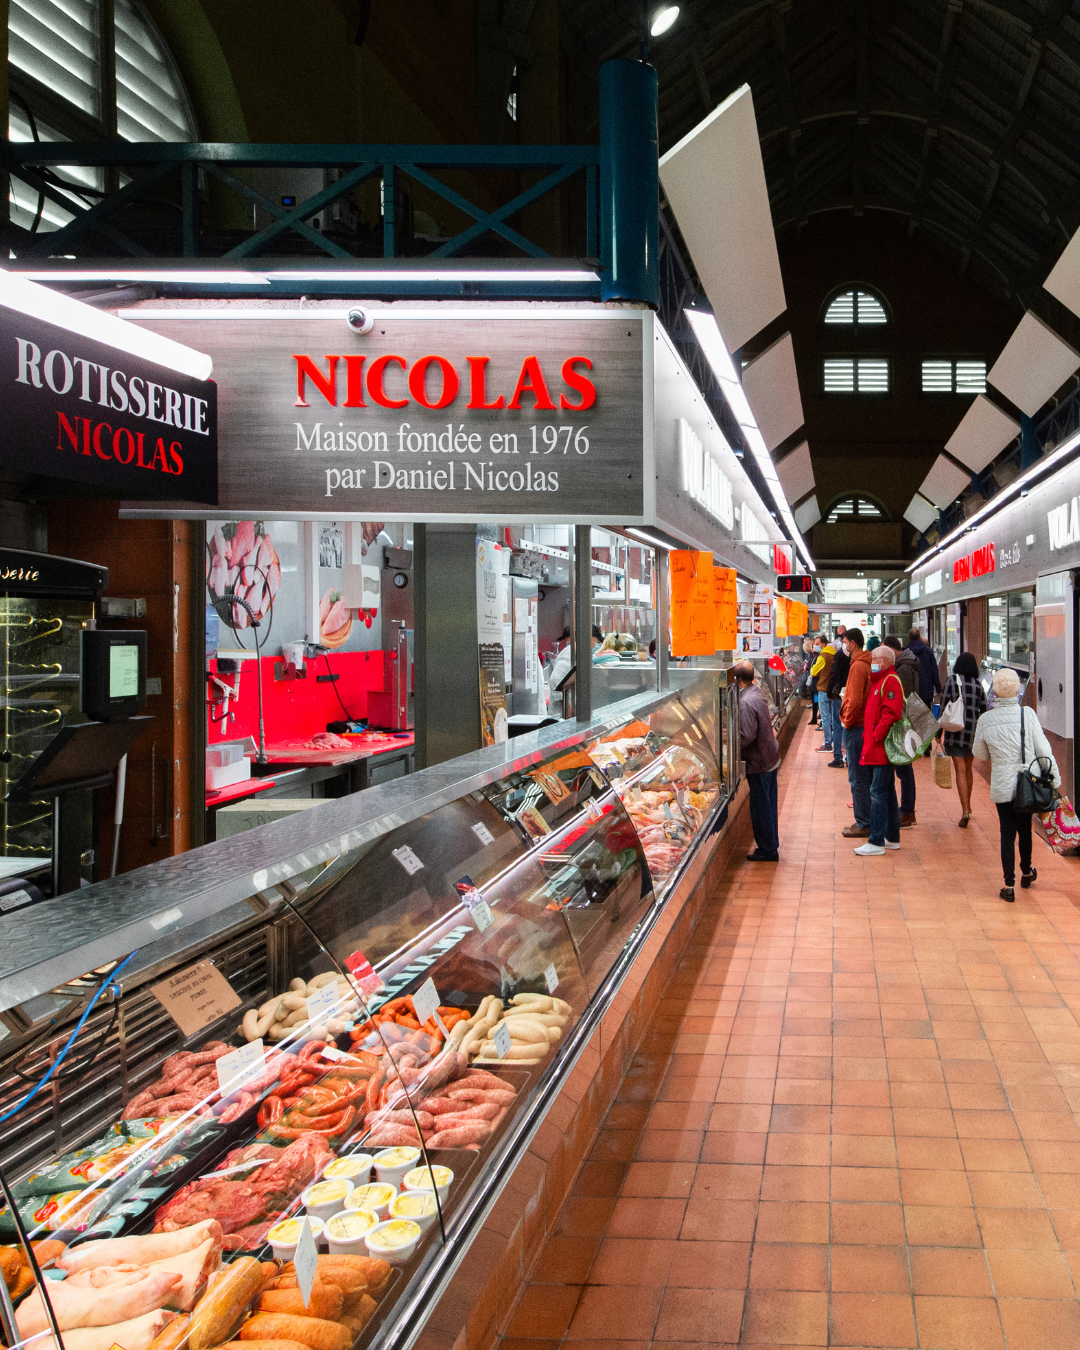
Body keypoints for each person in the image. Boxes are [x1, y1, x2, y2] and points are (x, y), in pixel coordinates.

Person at [972, 667, 1060, 901]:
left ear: (996, 693)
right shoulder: (1027, 714)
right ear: (1017, 690)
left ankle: (1008, 885)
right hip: (1027, 782)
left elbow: (980, 754)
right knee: (1025, 829)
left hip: (1003, 784)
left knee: (1006, 833)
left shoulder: (986, 719)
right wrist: (1055, 780)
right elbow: (1043, 749)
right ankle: (1026, 872)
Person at [854, 643, 906, 855]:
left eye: (874, 659)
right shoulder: (879, 681)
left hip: (882, 747)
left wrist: (875, 736)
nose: (871, 663)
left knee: (877, 792)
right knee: (888, 791)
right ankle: (892, 836)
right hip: (876, 746)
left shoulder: (890, 680)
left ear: (884, 661)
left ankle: (876, 840)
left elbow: (890, 713)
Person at [734, 659, 781, 861]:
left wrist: (729, 747)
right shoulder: (756, 692)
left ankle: (768, 850)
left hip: (759, 761)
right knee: (768, 804)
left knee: (761, 807)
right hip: (769, 756)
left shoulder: (745, 702)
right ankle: (771, 844)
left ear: (738, 680)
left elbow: (747, 735)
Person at [941, 651, 988, 828]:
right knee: (968, 769)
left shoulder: (952, 681)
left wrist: (938, 734)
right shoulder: (978, 685)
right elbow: (983, 710)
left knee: (959, 769)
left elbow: (945, 705)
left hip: (955, 731)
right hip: (973, 731)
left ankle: (965, 810)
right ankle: (968, 805)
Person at [838, 628, 873, 836]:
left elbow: (855, 700)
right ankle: (867, 818)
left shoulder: (858, 666)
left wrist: (846, 721)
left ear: (852, 644)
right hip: (863, 725)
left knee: (857, 777)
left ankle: (863, 822)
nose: (843, 645)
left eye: (844, 641)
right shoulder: (864, 663)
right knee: (864, 776)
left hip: (856, 726)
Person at [883, 635, 919, 827]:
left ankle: (906, 810)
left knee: (904, 769)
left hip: (903, 725)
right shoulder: (906, 664)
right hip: (905, 723)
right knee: (905, 769)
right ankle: (906, 809)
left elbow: (900, 698)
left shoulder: (903, 669)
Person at [825, 629, 850, 769]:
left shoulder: (839, 655)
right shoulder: (855, 657)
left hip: (838, 694)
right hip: (850, 693)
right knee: (847, 725)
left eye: (844, 641)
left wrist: (829, 691)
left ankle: (838, 757)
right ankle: (849, 756)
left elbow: (833, 674)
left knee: (837, 725)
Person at [810, 636, 837, 755]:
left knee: (825, 718)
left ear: (824, 644)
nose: (815, 646)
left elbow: (813, 671)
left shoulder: (822, 657)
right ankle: (835, 742)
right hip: (834, 690)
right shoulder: (834, 654)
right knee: (834, 718)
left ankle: (827, 743)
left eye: (817, 643)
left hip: (823, 689)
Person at [906, 628, 942, 708]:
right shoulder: (928, 651)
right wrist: (938, 688)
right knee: (926, 716)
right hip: (926, 689)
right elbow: (934, 671)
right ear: (920, 637)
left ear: (909, 638)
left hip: (910, 692)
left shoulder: (906, 652)